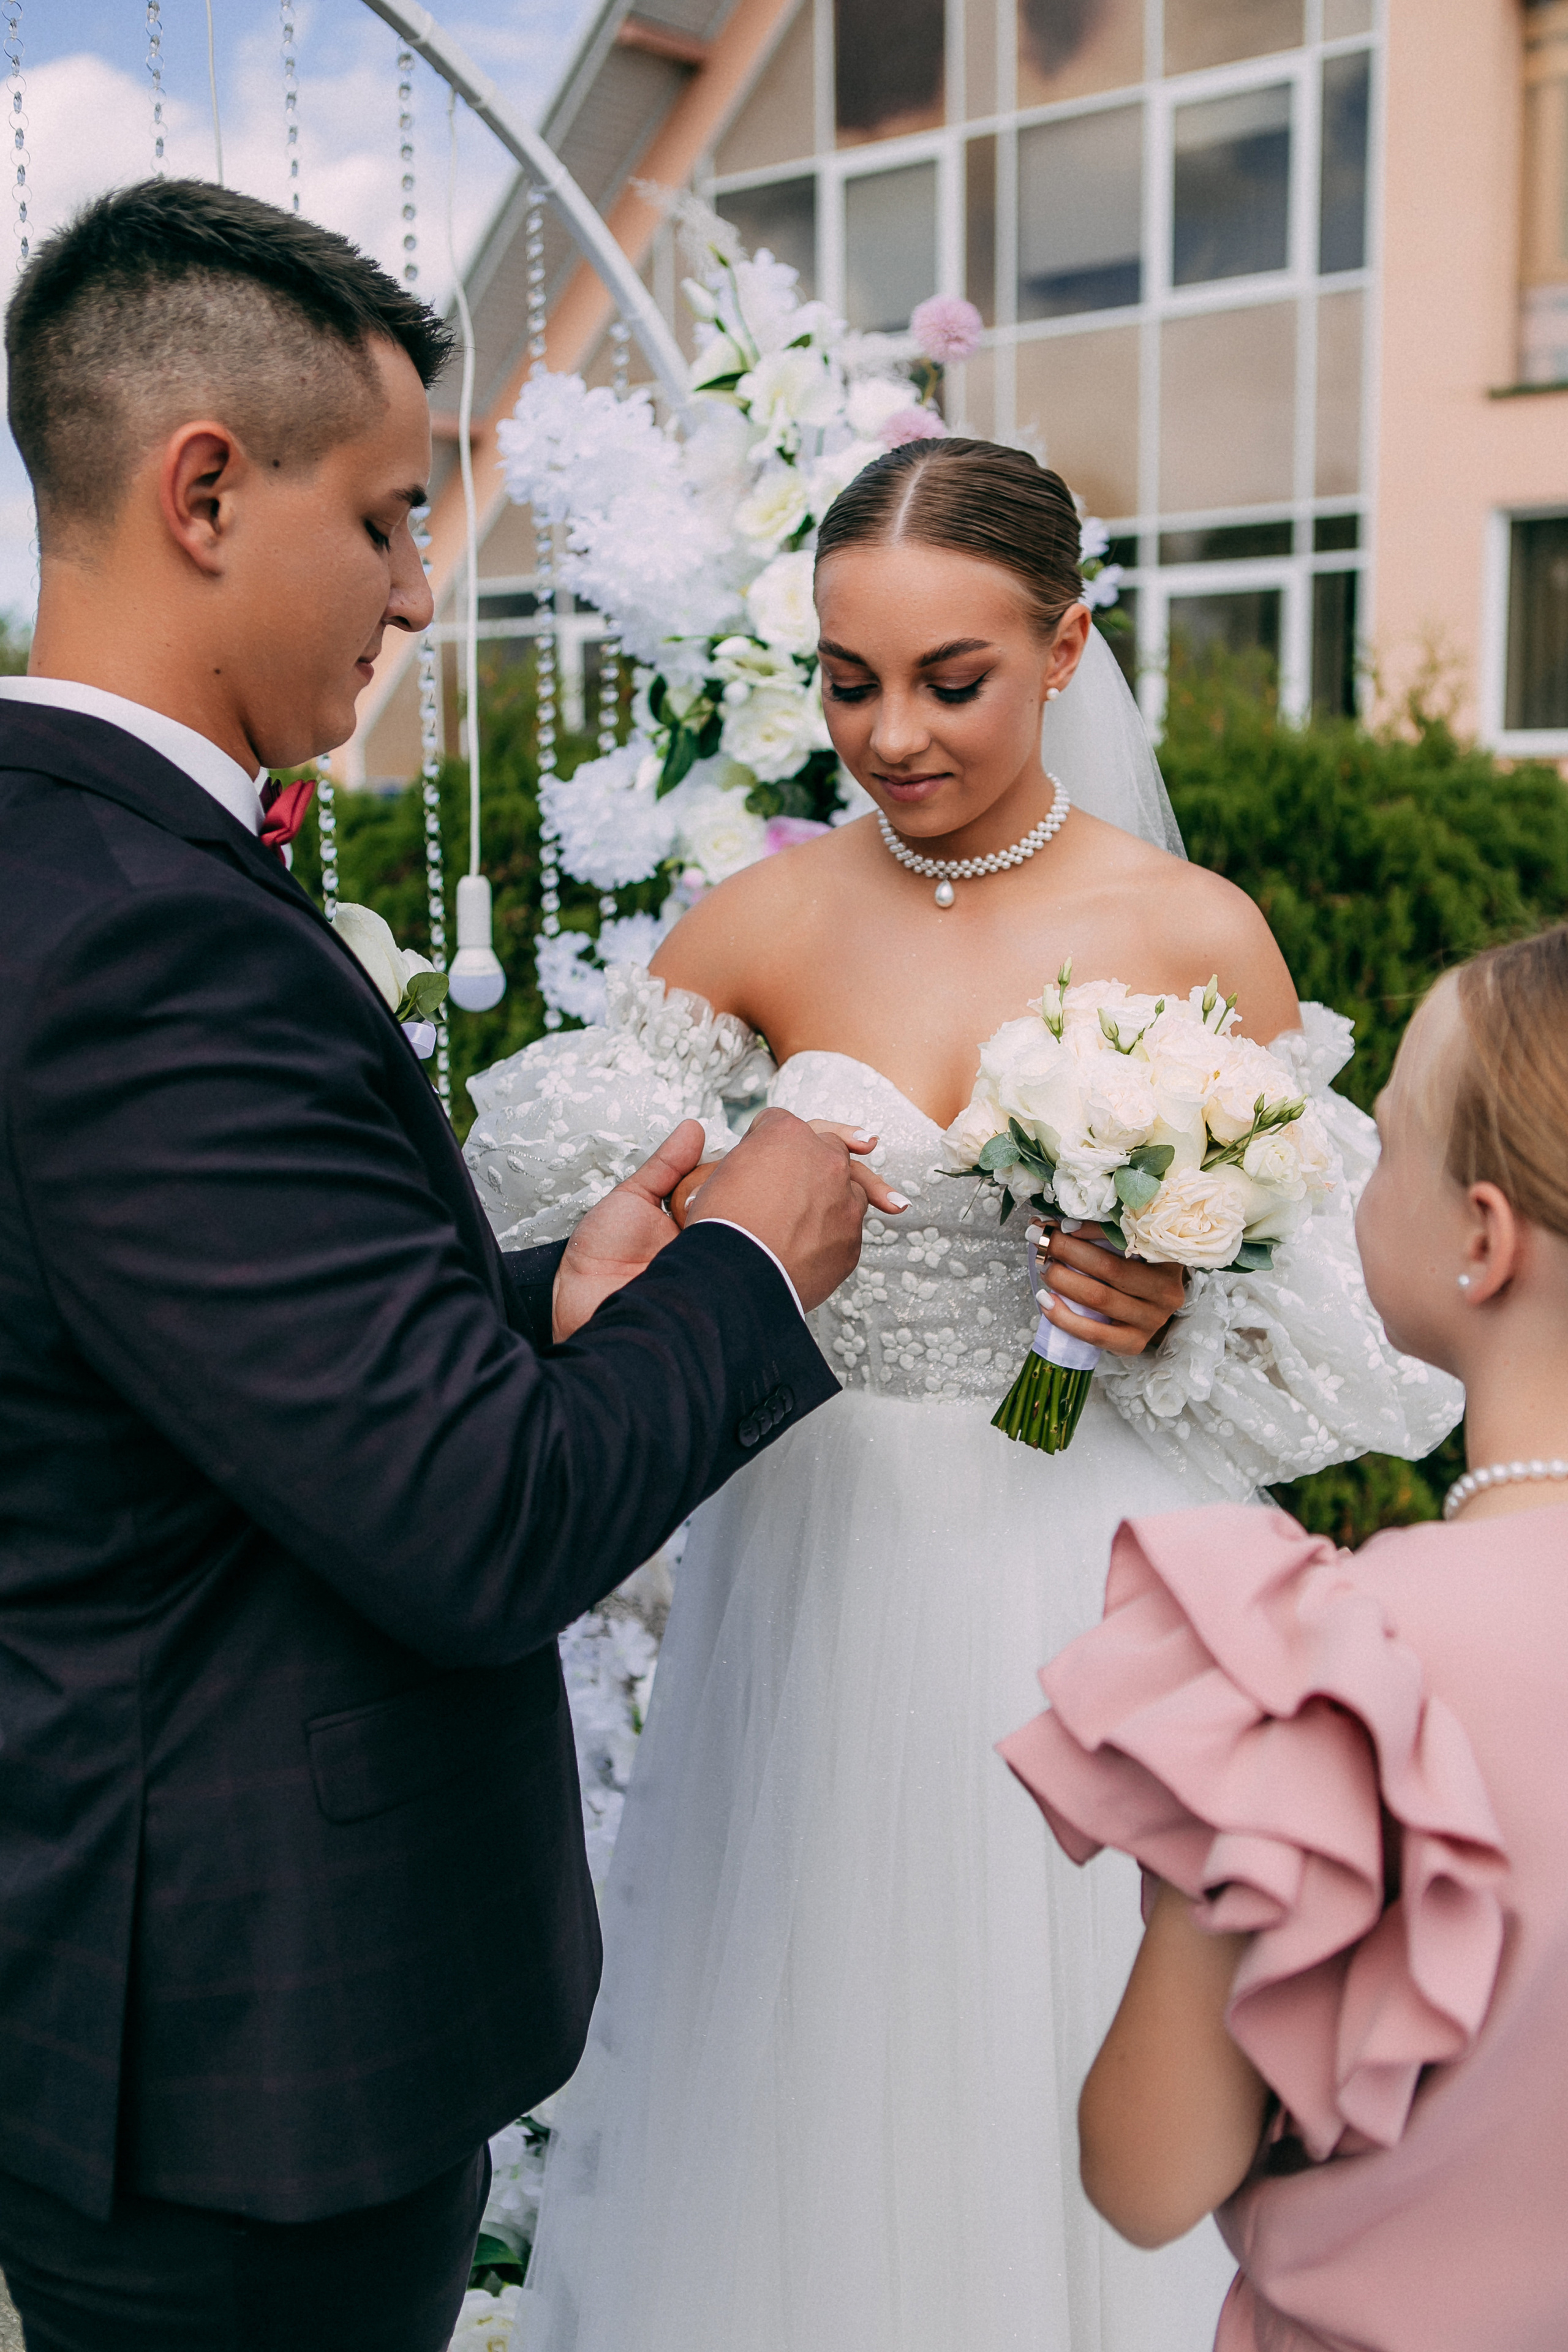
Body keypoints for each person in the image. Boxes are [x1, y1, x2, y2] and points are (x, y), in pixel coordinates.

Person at [0, 179, 883, 2352]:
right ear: (206, 490)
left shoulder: (74, 864)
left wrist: (533, 1294)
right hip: (242, 2059)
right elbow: (476, 1525)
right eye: (391, 515)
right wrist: (750, 1268)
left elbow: (184, 1359)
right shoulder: (145, 938)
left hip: (172, 1998)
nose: (416, 587)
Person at [467, 439, 1460, 2352]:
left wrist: (1176, 1297)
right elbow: (568, 1231)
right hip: (815, 1563)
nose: (892, 732)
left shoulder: (1193, 932)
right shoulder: (751, 931)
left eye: (951, 678)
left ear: (1068, 645)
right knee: (807, 2021)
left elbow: (1349, 1334)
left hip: (1079, 1560)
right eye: (850, 680)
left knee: (1064, 2011)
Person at [1003, 926, 1568, 2350]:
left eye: (1384, 1146)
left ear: (1482, 1241)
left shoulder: (1339, 1659)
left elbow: (1145, 2170)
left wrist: (1204, 1875)